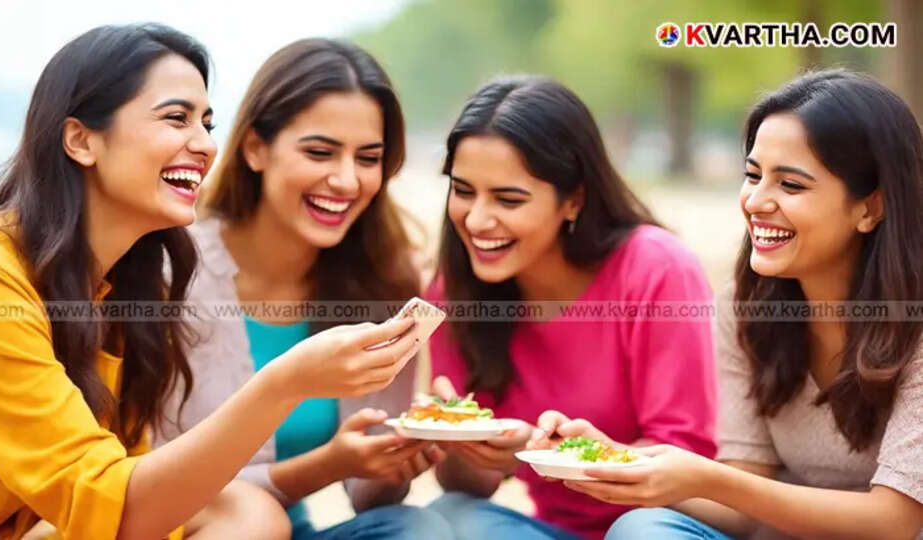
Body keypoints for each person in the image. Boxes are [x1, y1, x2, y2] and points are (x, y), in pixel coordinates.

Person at [0, 24, 419, 540]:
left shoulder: (118, 284)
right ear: (81, 140)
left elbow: (126, 486)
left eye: (206, 123)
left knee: (249, 514)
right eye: (176, 119)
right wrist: (286, 383)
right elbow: (116, 508)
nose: (204, 146)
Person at [540, 70, 923, 540]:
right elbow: (744, 498)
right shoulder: (746, 311)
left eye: (791, 185)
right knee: (645, 528)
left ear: (871, 207)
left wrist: (711, 478)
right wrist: (614, 458)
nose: (756, 201)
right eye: (753, 175)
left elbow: (898, 521)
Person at [154, 38, 451, 540]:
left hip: (297, 532)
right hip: (191, 530)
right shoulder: (169, 274)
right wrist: (324, 465)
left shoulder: (385, 282)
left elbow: (369, 496)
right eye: (320, 152)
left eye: (368, 158)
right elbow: (148, 482)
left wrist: (399, 456)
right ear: (255, 148)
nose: (345, 180)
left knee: (416, 527)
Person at [424, 75, 717, 539]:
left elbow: (683, 458)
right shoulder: (452, 295)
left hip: (662, 523)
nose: (477, 219)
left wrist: (559, 456)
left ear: (573, 200)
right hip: (555, 531)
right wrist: (463, 446)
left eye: (508, 198)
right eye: (463, 191)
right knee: (447, 516)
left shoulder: (656, 270)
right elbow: (470, 487)